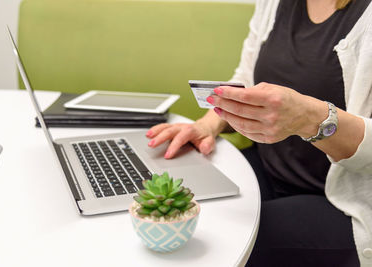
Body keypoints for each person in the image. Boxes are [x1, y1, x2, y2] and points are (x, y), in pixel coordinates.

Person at [145, 0, 372, 266]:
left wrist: (311, 118)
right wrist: (208, 125)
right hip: (267, 169)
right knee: (179, 205)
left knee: (216, 237)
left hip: (343, 202)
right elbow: (247, 79)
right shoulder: (272, 3)